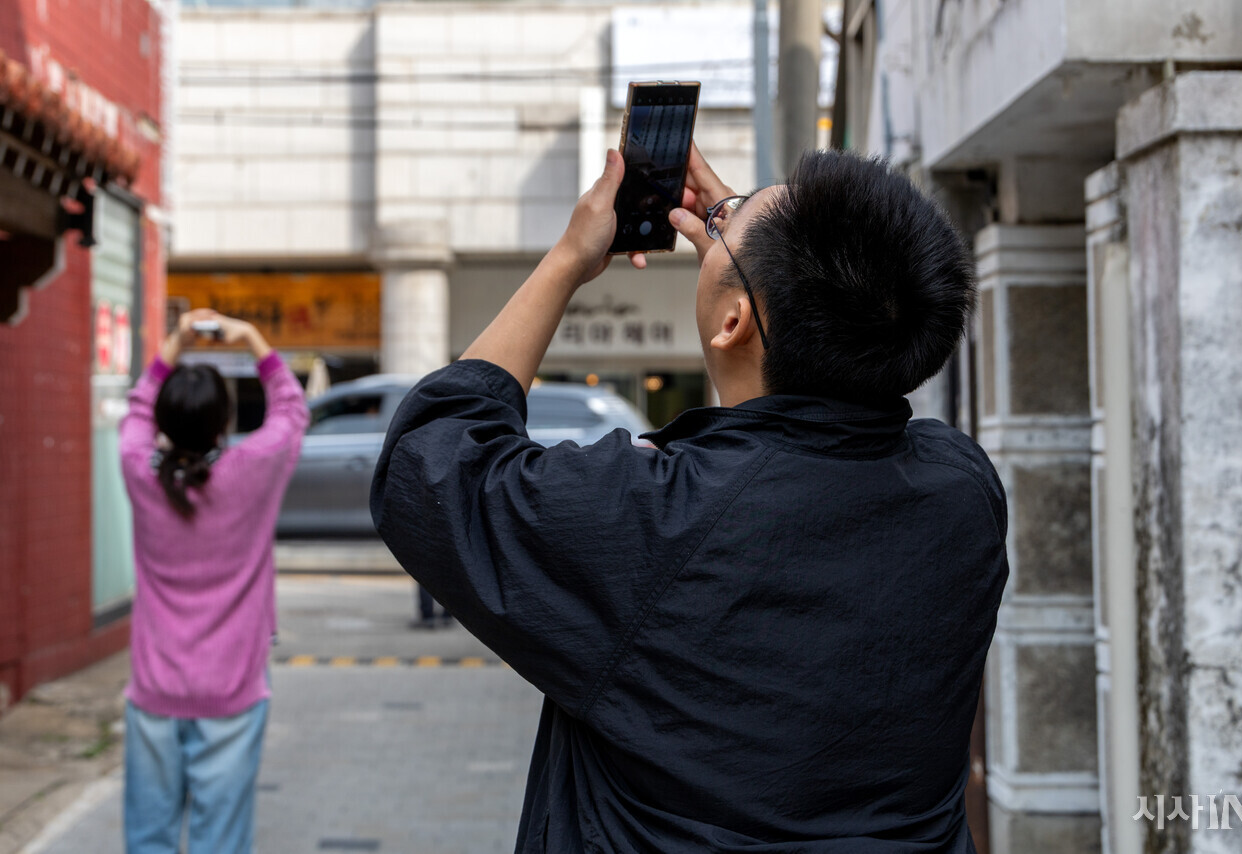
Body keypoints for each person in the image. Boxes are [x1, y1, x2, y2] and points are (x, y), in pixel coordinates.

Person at [371, 144, 1008, 853]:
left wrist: (568, 260)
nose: (718, 219)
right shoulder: (961, 492)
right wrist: (761, 250)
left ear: (733, 322)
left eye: (727, 227)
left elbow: (428, 461)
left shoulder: (658, 519)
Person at [119, 310, 309, 854]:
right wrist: (253, 340)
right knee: (220, 842)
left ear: (163, 421)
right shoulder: (254, 469)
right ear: (224, 424)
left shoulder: (138, 468)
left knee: (148, 838)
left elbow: (134, 412)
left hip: (154, 689)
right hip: (232, 688)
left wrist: (172, 346)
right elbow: (291, 412)